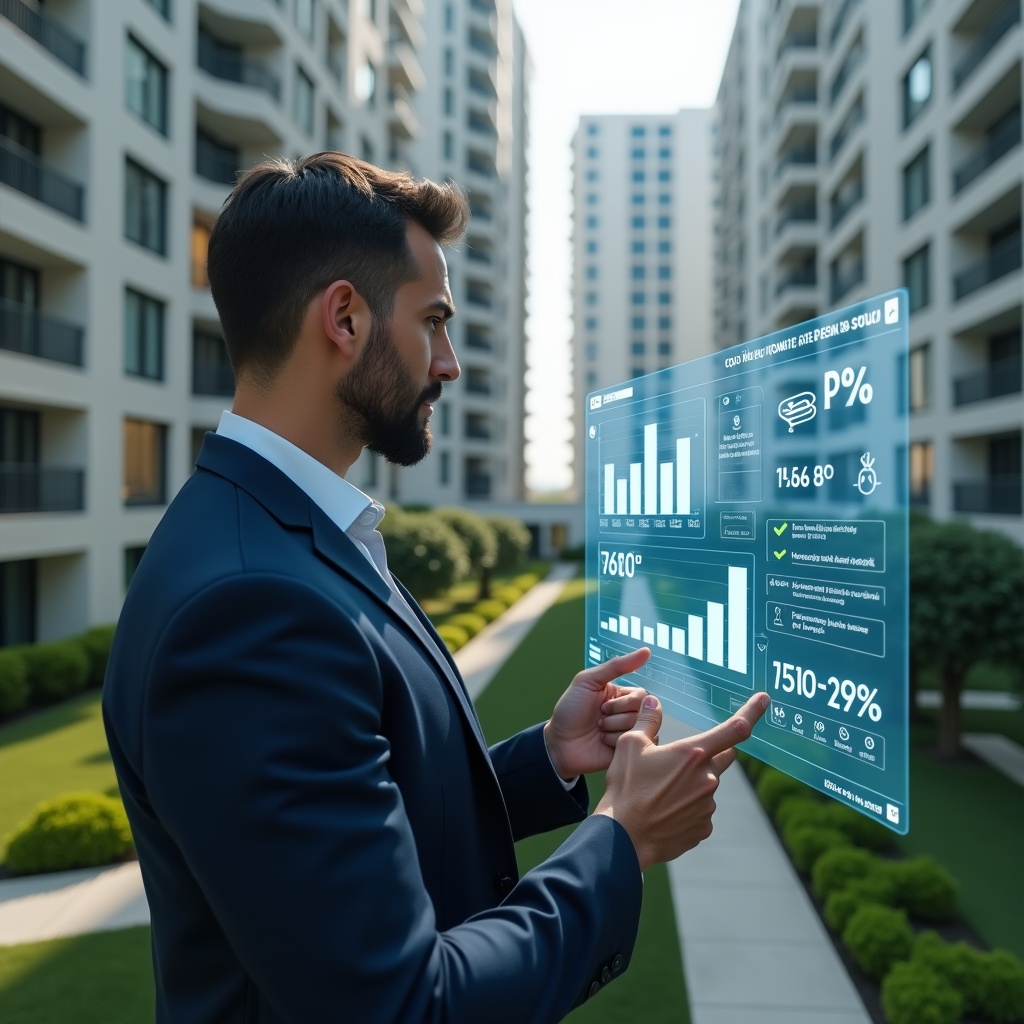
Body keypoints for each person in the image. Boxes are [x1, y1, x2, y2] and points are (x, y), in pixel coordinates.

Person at [102, 151, 768, 1024]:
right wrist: (619, 839)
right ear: (344, 317)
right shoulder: (249, 605)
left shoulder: (285, 533)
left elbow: (350, 813)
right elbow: (402, 1004)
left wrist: (549, 763)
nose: (447, 363)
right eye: (434, 322)